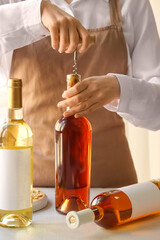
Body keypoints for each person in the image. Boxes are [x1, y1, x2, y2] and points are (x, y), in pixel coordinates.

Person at [0, 0, 160, 187]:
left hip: (109, 191)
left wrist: (119, 88)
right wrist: (36, 12)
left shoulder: (131, 3)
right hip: (26, 194)